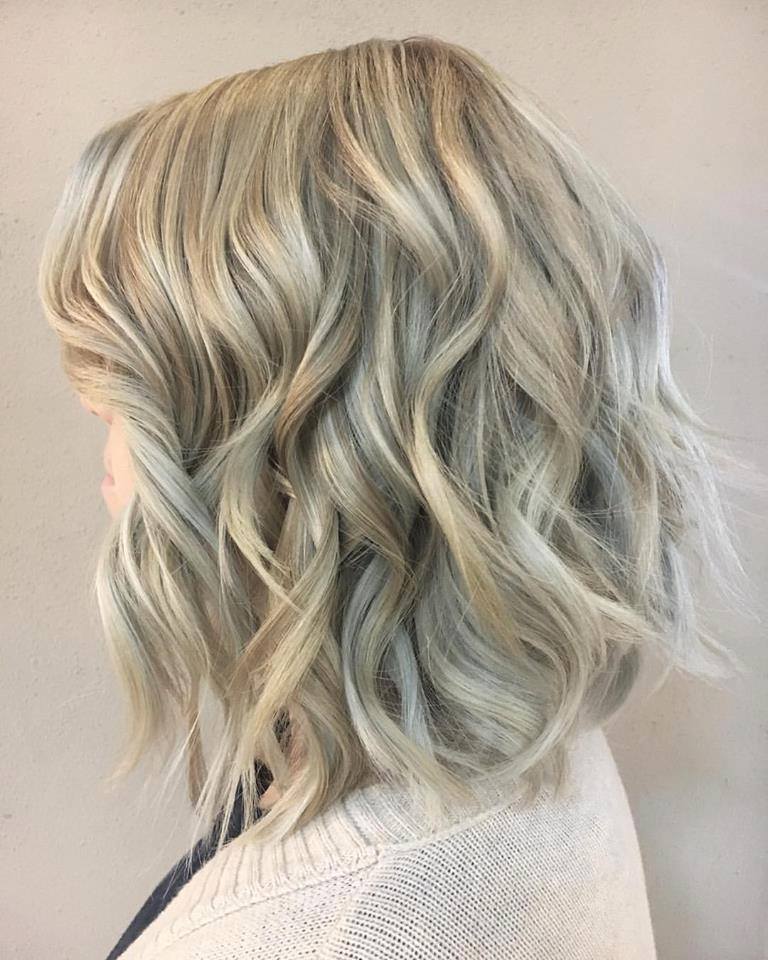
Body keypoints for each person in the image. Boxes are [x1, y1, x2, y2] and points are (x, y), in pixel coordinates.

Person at [37, 34, 756, 960]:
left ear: (304, 428)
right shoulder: (527, 739)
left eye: (129, 365)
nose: (91, 401)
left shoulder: (314, 934)